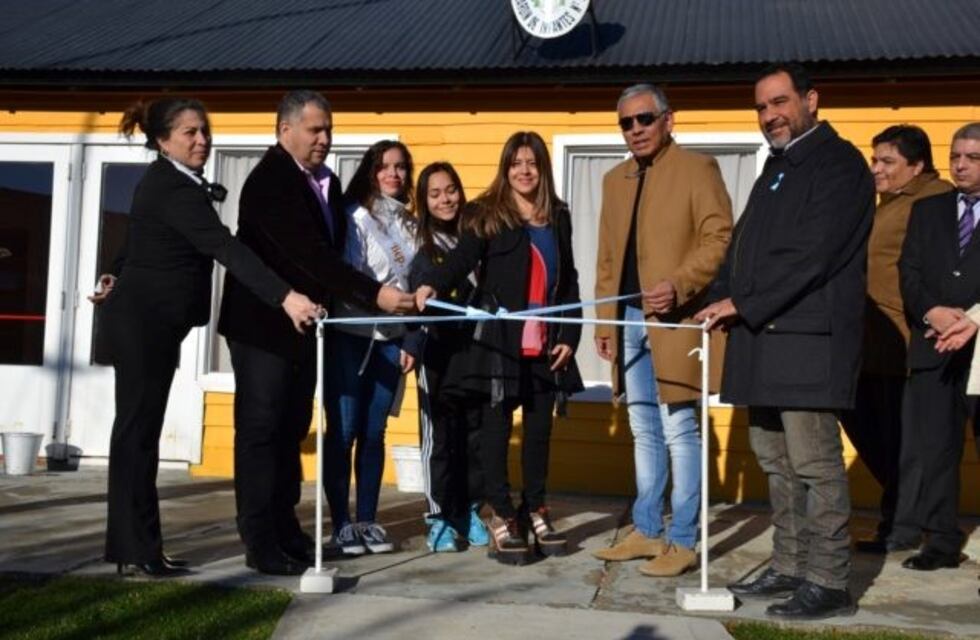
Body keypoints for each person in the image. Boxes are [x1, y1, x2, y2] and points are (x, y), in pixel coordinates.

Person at [100, 97, 321, 577]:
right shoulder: (171, 188)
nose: (202, 141)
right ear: (163, 141)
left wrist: (111, 273)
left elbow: (135, 240)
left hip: (154, 323)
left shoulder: (170, 183)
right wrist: (286, 297)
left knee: (139, 433)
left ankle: (138, 548)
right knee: (137, 436)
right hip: (143, 325)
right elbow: (225, 247)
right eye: (189, 134)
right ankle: (137, 551)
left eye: (204, 131)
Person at [696, 63, 874, 619]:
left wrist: (744, 303)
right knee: (775, 461)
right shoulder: (776, 168)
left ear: (811, 99)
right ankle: (792, 564)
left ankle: (829, 580)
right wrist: (721, 294)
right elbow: (743, 249)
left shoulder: (839, 165)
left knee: (814, 463)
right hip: (763, 343)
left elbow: (811, 254)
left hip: (807, 343)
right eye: (762, 107)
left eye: (779, 102)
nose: (770, 115)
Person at [218, 91, 415, 576]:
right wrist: (378, 295)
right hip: (263, 326)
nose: (325, 139)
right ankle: (260, 540)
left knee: (290, 431)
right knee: (261, 434)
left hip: (304, 329)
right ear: (284, 131)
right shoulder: (270, 181)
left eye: (328, 129)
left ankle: (286, 530)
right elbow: (312, 257)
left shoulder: (323, 183)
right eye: (314, 130)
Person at [416, 131, 584, 565]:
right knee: (494, 430)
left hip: (546, 341)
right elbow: (460, 260)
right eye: (515, 163)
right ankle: (501, 513)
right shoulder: (486, 215)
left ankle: (536, 508)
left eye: (531, 163)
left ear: (542, 168)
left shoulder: (558, 216)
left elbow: (569, 281)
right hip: (500, 343)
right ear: (505, 168)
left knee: (539, 432)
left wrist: (569, 335)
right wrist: (432, 283)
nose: (523, 171)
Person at [591, 84, 732, 577]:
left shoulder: (698, 168)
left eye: (644, 119)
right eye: (626, 123)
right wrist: (604, 320)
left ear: (668, 120)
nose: (635, 130)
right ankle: (647, 530)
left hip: (675, 321)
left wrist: (680, 284)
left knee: (679, 427)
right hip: (627, 318)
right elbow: (607, 256)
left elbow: (719, 238)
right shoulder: (613, 179)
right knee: (642, 427)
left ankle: (682, 538)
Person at [838, 125, 953, 554]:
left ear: (917, 165)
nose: (876, 169)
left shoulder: (935, 199)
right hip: (868, 340)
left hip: (905, 341)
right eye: (875, 160)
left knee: (904, 442)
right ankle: (901, 519)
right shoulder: (887, 204)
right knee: (875, 432)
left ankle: (903, 528)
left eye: (887, 162)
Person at [323, 140, 419, 555]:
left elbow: (415, 285)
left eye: (400, 167)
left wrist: (412, 336)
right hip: (350, 335)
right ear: (371, 170)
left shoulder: (413, 225)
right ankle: (341, 524)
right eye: (385, 167)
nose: (393, 175)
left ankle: (368, 520)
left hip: (390, 340)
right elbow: (345, 273)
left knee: (374, 432)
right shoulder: (353, 215)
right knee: (343, 431)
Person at [892, 122, 980, 571]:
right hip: (933, 346)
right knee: (935, 450)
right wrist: (932, 312)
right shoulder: (929, 210)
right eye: (957, 155)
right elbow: (908, 271)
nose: (961, 164)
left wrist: (972, 319)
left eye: (973, 157)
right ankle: (941, 542)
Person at [407, 162, 489, 552]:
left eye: (451, 189)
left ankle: (469, 509)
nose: (446, 199)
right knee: (438, 437)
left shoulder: (475, 237)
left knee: (473, 433)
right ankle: (438, 516)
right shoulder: (420, 246)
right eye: (435, 193)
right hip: (435, 351)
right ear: (424, 201)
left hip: (475, 349)